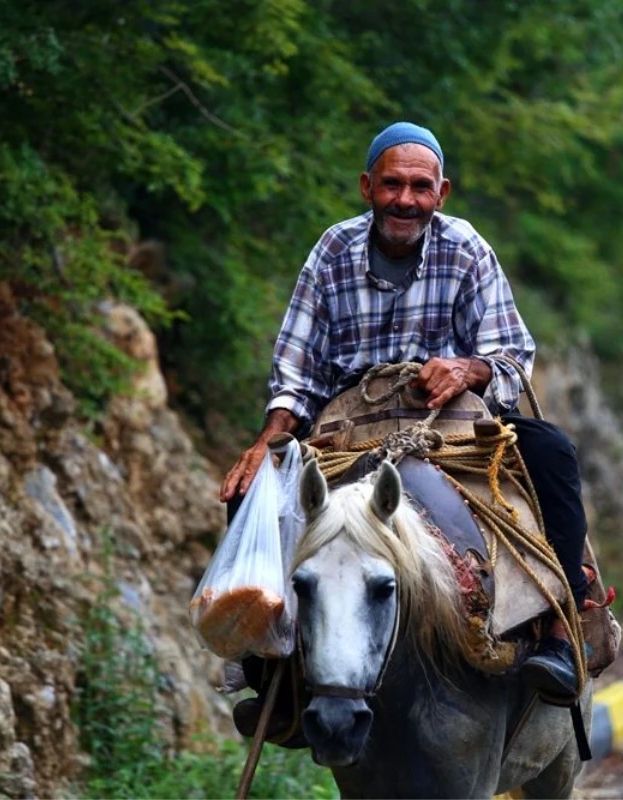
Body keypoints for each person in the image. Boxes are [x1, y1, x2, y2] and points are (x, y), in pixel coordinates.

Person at [219, 121, 589, 707]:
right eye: (392, 184)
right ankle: (271, 660)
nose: (406, 200)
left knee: (553, 453)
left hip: (451, 425)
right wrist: (270, 438)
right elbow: (297, 368)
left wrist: (468, 369)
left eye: (421, 187)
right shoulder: (332, 252)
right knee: (249, 489)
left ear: (441, 194)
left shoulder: (465, 247)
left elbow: (512, 354)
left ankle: (560, 632)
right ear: (368, 186)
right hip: (348, 425)